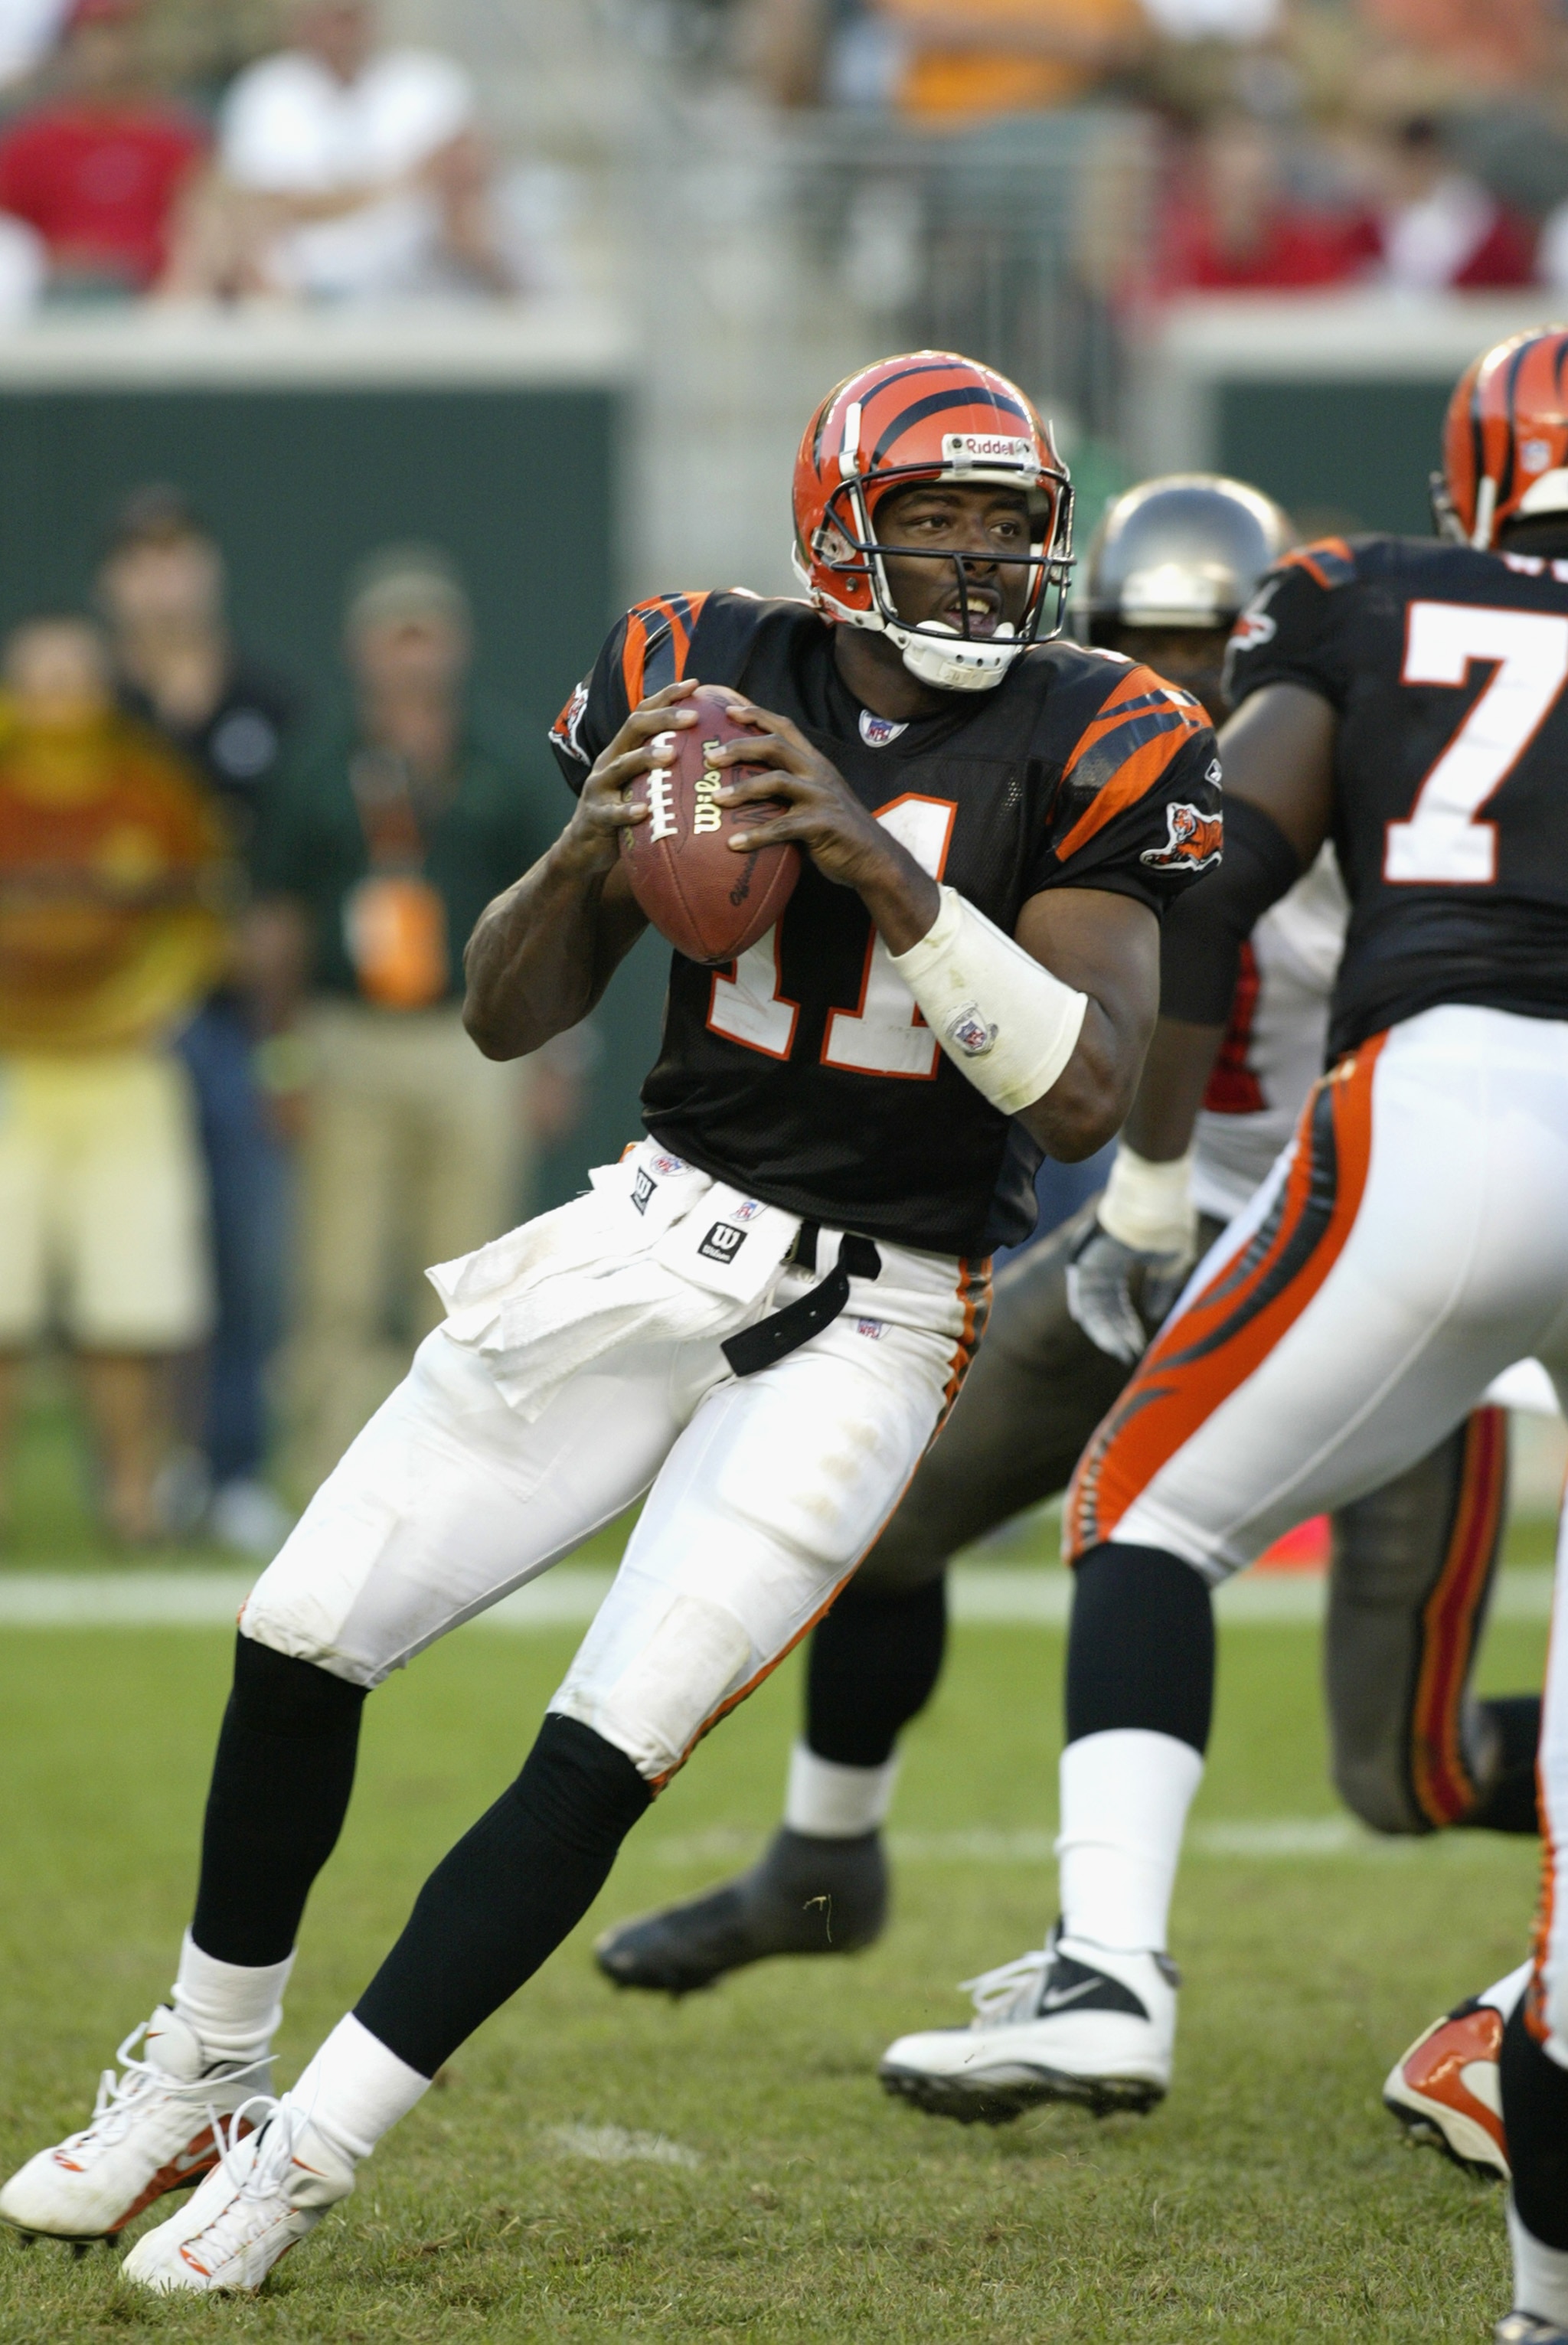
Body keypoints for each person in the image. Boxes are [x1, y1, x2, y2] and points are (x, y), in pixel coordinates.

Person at [0, 350, 1221, 2292]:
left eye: (1010, 528)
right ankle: (204, 2069)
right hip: (652, 1225)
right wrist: (589, 839)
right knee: (303, 1626)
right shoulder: (700, 657)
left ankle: (303, 2155)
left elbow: (1078, 1092)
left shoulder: (1102, 730)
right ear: (840, 528)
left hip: (879, 1308)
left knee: (610, 1732)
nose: (983, 566)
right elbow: (504, 1012)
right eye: (938, 522)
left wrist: (869, 855)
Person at [596, 472, 1537, 2001]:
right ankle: (824, 1854)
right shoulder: (1074, 776)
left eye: (1208, 655)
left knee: (1399, 1770)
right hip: (1167, 1242)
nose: (1175, 691)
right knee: (883, 1516)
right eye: (1136, 644)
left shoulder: (1375, 808)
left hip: (1371, 1263)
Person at [867, 326, 1568, 2137]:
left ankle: (1104, 1972)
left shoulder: (1368, 596)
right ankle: (1531, 2027)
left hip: (1455, 1095)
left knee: (1146, 1506)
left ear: (1470, 484)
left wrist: (1159, 1182)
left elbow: (1205, 875)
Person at [248, 544, 561, 1493]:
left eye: (428, 635)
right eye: (396, 636)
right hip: (346, 1035)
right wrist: (281, 1057)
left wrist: (555, 1056)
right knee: (337, 1275)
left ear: (456, 647)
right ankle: (325, 1476)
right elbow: (275, 926)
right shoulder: (316, 764)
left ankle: (444, 1479)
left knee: (464, 1274)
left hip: (471, 1040)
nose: (412, 656)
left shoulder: (501, 759)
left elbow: (553, 920)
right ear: (361, 648)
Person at [96, 485, 302, 1558]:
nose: (162, 577)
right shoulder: (86, 708)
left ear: (207, 570)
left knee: (241, 1247)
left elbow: (295, 875)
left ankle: (229, 1465)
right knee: (127, 1253)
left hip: (232, 1018)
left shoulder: (265, 700)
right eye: (142, 558)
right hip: (111, 1028)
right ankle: (138, 1466)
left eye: (178, 555)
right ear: (113, 582)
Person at [0, 615, 226, 1542]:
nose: (57, 700)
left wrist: (147, 1004)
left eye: (73, 679)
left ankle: (132, 1500)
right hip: (12, 1068)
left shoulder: (152, 787)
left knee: (131, 1306)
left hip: (127, 1072)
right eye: (38, 679)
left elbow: (199, 910)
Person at [169, 0, 518, 303]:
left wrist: (329, 200)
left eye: (350, 14)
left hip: (419, 265)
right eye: (329, 13)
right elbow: (260, 200)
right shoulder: (267, 88)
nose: (341, 28)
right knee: (214, 226)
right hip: (299, 280)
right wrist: (398, 184)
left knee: (477, 216)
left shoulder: (429, 80)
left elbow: (468, 172)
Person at [0, 0, 206, 300]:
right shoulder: (33, 141)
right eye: (92, 38)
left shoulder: (175, 138)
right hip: (53, 300)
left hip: (156, 301)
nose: (104, 52)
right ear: (69, 48)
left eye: (116, 37)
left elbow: (202, 224)